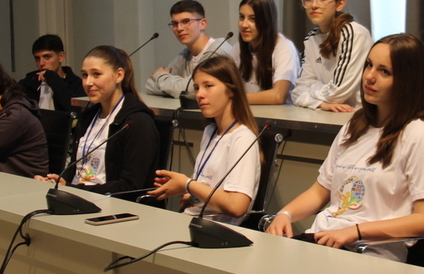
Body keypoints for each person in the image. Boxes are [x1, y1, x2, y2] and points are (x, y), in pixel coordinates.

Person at [266, 34, 424, 261]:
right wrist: (285, 214)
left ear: (407, 81)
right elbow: (320, 191)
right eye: (369, 65)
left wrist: (355, 232)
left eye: (384, 71)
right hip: (324, 241)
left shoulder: (417, 135)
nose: (369, 77)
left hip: (369, 252)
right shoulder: (356, 124)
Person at [149, 54, 260, 225]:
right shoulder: (210, 131)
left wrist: (188, 185)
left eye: (208, 86)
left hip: (215, 230)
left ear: (231, 90)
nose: (199, 94)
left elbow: (237, 206)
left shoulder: (242, 138)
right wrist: (182, 187)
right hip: (192, 221)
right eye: (197, 87)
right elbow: (206, 180)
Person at [36, 45, 159, 200]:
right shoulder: (89, 116)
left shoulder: (137, 122)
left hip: (112, 207)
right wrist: (61, 181)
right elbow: (77, 166)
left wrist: (72, 189)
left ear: (119, 75)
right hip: (78, 197)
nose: (88, 82)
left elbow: (130, 187)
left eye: (96, 74)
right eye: (84, 75)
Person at [293, 0, 373, 113]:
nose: (314, 5)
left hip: (358, 114)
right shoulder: (310, 39)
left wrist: (313, 88)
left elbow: (338, 92)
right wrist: (321, 104)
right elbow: (297, 92)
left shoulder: (353, 34)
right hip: (328, 113)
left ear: (339, 3)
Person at [145, 0, 232, 98]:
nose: (179, 28)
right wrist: (173, 88)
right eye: (174, 24)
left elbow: (190, 89)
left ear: (202, 24)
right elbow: (149, 85)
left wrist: (159, 75)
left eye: (186, 21)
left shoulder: (218, 51)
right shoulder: (185, 55)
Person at [229, 0, 300, 105]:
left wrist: (234, 99)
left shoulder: (284, 48)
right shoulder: (238, 48)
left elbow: (278, 96)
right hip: (250, 115)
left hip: (280, 119)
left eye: (252, 19)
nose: (244, 24)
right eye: (242, 17)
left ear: (266, 21)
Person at [17, 34, 84, 111]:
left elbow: (78, 111)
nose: (41, 63)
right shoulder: (28, 82)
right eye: (37, 58)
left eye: (47, 57)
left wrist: (53, 79)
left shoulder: (76, 84)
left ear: (61, 57)